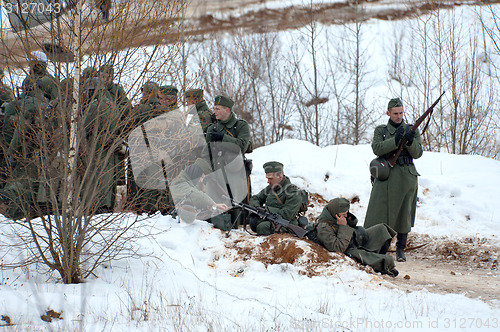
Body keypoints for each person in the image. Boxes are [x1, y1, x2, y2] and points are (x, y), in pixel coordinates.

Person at [364, 97, 423, 262]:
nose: (399, 116)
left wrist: (410, 141)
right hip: (387, 176)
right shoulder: (381, 130)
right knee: (383, 213)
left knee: (404, 213)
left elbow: (417, 153)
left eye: (401, 113)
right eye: (395, 113)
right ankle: (381, 246)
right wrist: (395, 140)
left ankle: (400, 249)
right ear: (388, 113)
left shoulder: (412, 129)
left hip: (406, 177)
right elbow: (377, 148)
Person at [315, 198, 399, 277]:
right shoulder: (323, 227)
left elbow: (352, 225)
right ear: (335, 213)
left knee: (381, 229)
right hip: (347, 248)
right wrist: (343, 226)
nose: (345, 215)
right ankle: (385, 265)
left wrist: (349, 219)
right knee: (369, 257)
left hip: (353, 237)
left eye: (346, 212)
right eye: (343, 213)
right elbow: (338, 248)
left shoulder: (336, 215)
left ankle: (377, 253)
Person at [203, 95, 251, 228]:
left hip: (235, 172)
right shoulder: (211, 129)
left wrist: (223, 138)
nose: (214, 111)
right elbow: (205, 154)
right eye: (214, 108)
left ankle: (236, 230)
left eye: (218, 109)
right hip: (216, 173)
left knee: (236, 204)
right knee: (214, 205)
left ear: (227, 110)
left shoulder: (240, 126)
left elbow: (242, 146)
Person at [248, 161, 302, 235]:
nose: (268, 181)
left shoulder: (292, 192)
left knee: (263, 226)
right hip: (271, 220)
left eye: (270, 179)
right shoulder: (271, 188)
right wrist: (257, 207)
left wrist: (266, 210)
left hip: (285, 224)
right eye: (267, 178)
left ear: (280, 176)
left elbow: (286, 215)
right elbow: (255, 198)